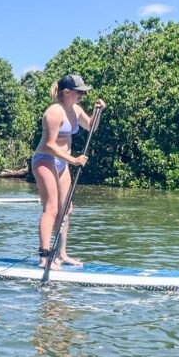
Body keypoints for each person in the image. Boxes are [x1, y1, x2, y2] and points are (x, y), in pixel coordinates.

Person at [31, 74, 106, 270]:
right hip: (45, 161)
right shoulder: (54, 113)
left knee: (67, 209)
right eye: (79, 91)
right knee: (52, 208)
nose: (82, 94)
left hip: (62, 164)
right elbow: (48, 146)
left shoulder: (75, 109)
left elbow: (91, 127)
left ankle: (61, 254)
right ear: (66, 92)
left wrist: (97, 113)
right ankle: (45, 258)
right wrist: (74, 160)